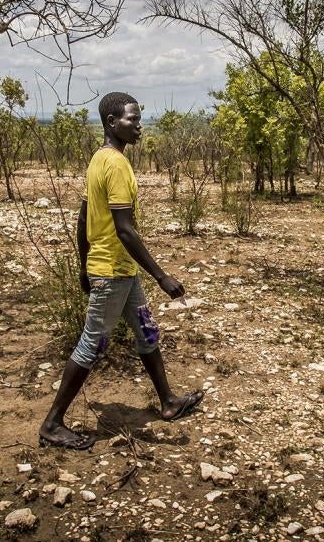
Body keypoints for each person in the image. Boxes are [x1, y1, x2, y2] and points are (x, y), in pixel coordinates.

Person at [38, 92, 204, 450]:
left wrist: (83, 265)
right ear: (112, 123)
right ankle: (52, 424)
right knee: (91, 345)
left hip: (121, 271)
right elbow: (124, 229)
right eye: (132, 119)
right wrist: (162, 276)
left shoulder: (98, 159)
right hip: (112, 272)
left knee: (146, 332)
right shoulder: (115, 165)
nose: (139, 125)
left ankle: (169, 403)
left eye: (140, 119)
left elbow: (84, 217)